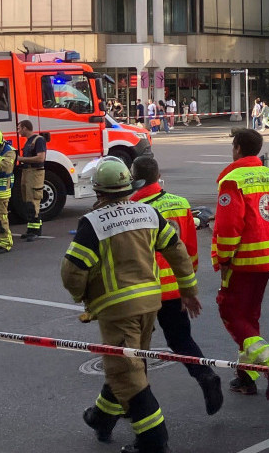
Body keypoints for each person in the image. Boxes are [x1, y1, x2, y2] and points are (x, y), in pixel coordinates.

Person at [63, 157, 199, 453]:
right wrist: (188, 289)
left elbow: (73, 271)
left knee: (126, 372)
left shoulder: (93, 223)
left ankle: (154, 441)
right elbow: (177, 250)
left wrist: (83, 298)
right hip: (151, 303)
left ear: (98, 191)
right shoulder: (149, 212)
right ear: (128, 186)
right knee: (129, 364)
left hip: (117, 309)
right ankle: (102, 417)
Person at [130, 156, 224, 416]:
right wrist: (188, 287)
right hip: (175, 287)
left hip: (143, 290)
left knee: (134, 348)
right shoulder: (181, 204)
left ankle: (137, 402)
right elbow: (189, 251)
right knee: (181, 339)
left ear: (134, 178)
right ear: (158, 174)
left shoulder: (131, 208)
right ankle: (205, 374)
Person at [212, 128, 269, 400]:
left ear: (237, 148)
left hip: (243, 259)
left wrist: (224, 259)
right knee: (249, 316)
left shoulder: (232, 180)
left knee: (231, 313)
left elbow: (228, 227)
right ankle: (246, 376)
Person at [16, 119, 47, 241]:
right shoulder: (28, 141)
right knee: (27, 201)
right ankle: (31, 229)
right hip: (27, 173)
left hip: (35, 173)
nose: (18, 131)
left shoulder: (38, 140)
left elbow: (41, 158)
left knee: (33, 201)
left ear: (25, 128)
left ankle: (35, 231)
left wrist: (21, 158)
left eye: (19, 128)